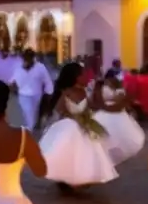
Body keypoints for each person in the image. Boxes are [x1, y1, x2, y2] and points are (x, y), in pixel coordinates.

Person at [38, 62, 118, 191]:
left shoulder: (84, 92)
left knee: (85, 155)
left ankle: (81, 178)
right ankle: (68, 179)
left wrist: (98, 92)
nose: (86, 76)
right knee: (69, 153)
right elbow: (58, 110)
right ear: (76, 77)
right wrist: (69, 116)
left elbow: (93, 106)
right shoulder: (66, 93)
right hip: (70, 127)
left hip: (84, 126)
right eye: (83, 74)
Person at [92, 75, 145, 165]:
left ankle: (113, 152)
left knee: (117, 133)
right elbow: (97, 100)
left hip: (113, 111)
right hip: (105, 111)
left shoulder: (120, 91)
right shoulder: (103, 89)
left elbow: (121, 102)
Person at [9, 49, 53, 130]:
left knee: (33, 114)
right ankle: (29, 132)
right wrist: (12, 90)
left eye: (29, 58)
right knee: (29, 114)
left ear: (33, 58)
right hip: (23, 95)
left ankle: (31, 129)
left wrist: (49, 92)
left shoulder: (40, 67)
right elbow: (12, 81)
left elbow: (47, 81)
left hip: (37, 96)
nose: (27, 60)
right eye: (26, 58)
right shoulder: (17, 67)